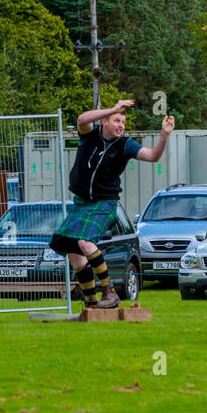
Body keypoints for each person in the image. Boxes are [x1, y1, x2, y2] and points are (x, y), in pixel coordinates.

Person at [49, 98, 174, 308]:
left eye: (123, 123)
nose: (120, 126)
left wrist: (164, 134)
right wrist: (113, 108)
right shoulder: (90, 135)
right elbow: (81, 119)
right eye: (116, 120)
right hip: (81, 203)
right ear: (104, 121)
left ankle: (110, 292)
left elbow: (153, 156)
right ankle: (91, 302)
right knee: (74, 253)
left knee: (84, 243)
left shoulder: (125, 144)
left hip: (104, 202)